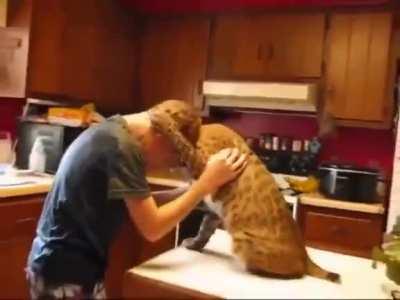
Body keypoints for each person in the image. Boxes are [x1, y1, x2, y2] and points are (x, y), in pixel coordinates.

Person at [26, 100, 247, 299]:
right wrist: (204, 185)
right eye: (174, 156)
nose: (169, 165)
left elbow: (143, 205)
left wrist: (192, 192)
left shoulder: (114, 131)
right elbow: (153, 227)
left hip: (59, 263)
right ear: (161, 137)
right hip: (65, 271)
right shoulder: (123, 149)